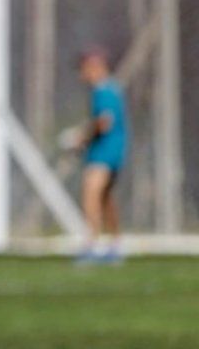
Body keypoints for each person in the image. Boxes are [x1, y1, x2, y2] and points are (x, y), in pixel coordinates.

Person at [73, 46, 129, 264]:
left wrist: (81, 138)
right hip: (115, 151)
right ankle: (115, 245)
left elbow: (104, 123)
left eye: (84, 69)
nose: (82, 75)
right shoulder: (113, 89)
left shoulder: (102, 91)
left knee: (91, 194)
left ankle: (91, 245)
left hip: (104, 152)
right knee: (106, 199)